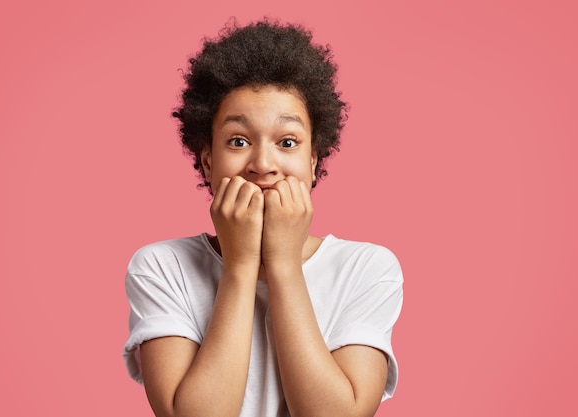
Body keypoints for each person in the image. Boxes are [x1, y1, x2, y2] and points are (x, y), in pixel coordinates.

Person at [123, 19, 404, 417]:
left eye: (286, 142)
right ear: (207, 161)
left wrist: (284, 265)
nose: (263, 164)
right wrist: (239, 266)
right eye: (238, 141)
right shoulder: (161, 267)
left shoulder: (368, 268)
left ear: (312, 160)